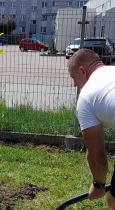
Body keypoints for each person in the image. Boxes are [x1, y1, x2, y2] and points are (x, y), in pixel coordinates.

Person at [67, 48, 115, 209]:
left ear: (83, 71)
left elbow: (96, 156)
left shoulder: (86, 97)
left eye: (73, 77)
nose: (74, 84)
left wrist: (99, 184)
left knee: (113, 200)